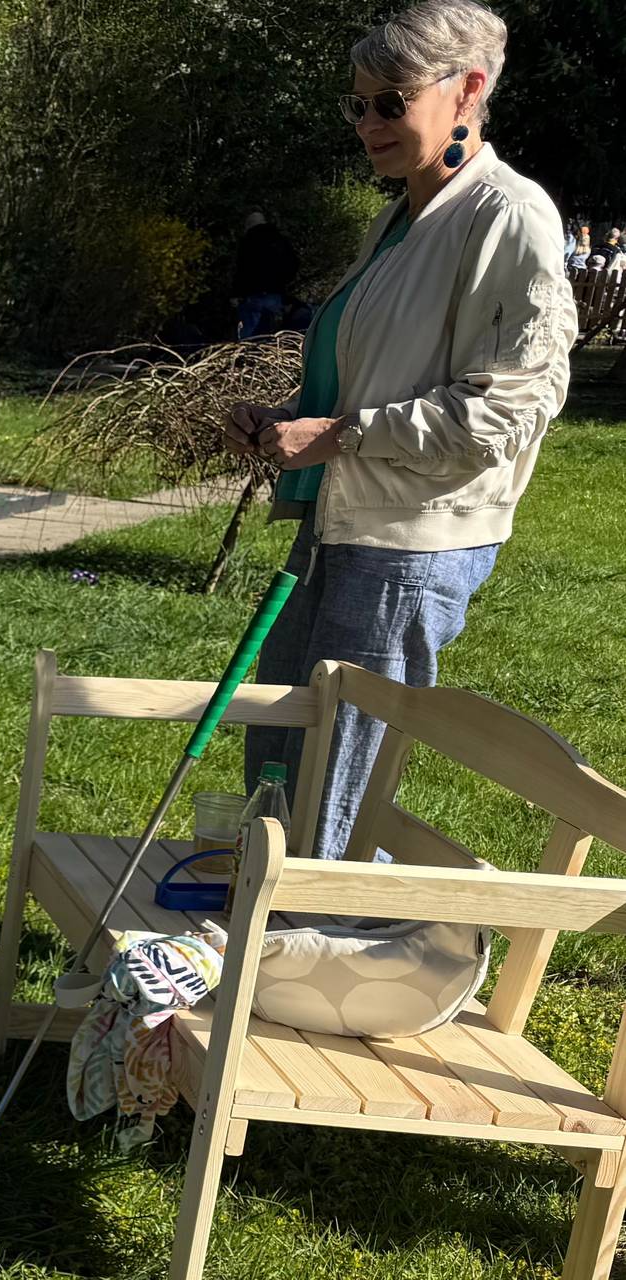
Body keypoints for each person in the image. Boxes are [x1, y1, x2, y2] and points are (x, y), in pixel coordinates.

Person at [226, 0, 573, 860]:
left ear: (468, 91)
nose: (368, 123)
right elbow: (374, 373)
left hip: (406, 546)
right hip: (336, 520)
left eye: (391, 102)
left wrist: (338, 437)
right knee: (280, 753)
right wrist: (286, 425)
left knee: (332, 779)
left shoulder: (507, 215)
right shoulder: (403, 217)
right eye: (358, 104)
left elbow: (509, 408)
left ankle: (319, 962)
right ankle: (267, 950)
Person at [231, 211, 301, 339]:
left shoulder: (247, 242)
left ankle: (248, 356)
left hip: (251, 295)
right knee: (271, 334)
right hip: (275, 294)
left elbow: (241, 269)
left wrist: (236, 294)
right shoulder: (280, 240)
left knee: (248, 336)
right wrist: (282, 283)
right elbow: (293, 264)